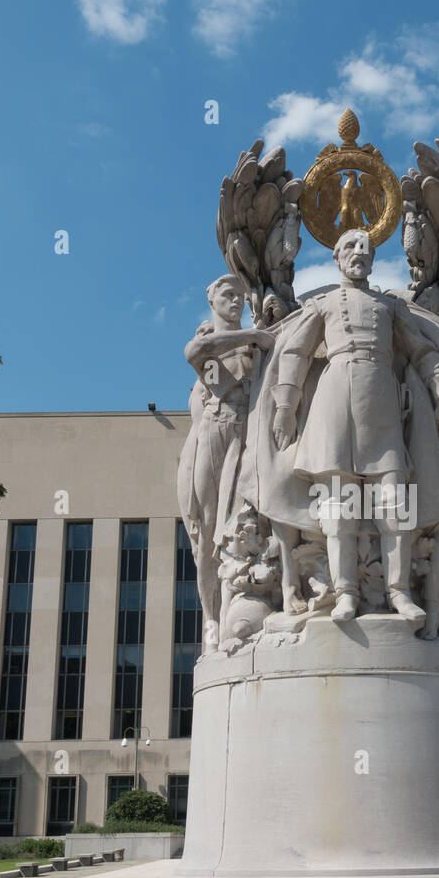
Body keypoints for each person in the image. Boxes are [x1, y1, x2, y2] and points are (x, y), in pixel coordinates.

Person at [270, 229, 439, 622]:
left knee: (393, 501)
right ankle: (346, 593)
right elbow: (296, 352)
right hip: (334, 398)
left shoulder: (390, 307)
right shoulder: (322, 305)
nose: (360, 253)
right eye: (352, 248)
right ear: (337, 258)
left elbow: (423, 351)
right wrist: (285, 405)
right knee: (339, 507)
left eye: (367, 249)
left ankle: (399, 591)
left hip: (382, 401)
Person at [177, 275, 273, 647]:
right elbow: (195, 353)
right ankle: (211, 617)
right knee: (205, 536)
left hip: (247, 437)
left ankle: (237, 605)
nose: (236, 301)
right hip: (215, 433)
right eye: (228, 295)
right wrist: (252, 335)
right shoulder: (214, 344)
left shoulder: (253, 347)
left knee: (240, 529)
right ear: (211, 299)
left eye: (240, 296)